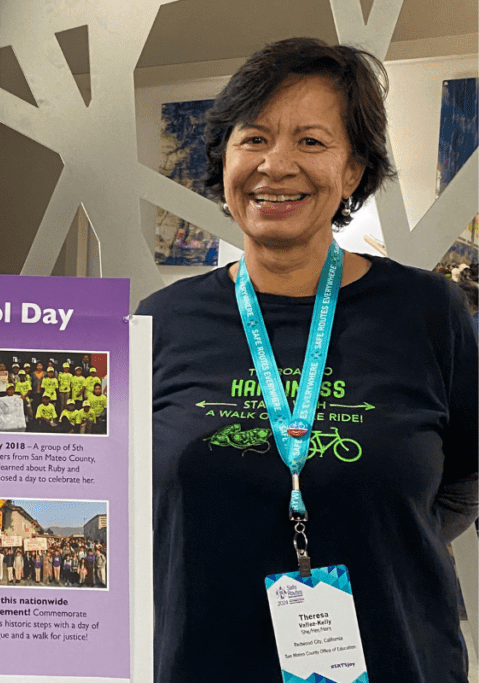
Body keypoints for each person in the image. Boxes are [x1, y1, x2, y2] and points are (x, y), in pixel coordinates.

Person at [136, 38, 477, 683]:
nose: (276, 165)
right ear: (225, 158)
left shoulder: (429, 311)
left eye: (312, 142)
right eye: (254, 138)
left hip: (396, 658)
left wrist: (374, 522)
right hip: (204, 661)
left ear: (353, 172)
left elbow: (464, 481)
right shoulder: (161, 322)